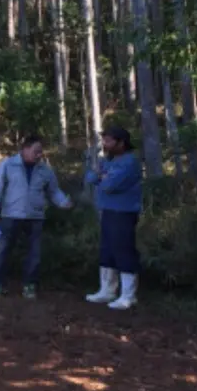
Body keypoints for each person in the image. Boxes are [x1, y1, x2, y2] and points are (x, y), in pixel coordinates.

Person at [0, 134, 74, 299]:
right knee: (4, 251)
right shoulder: (8, 165)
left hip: (35, 217)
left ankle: (30, 285)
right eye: (36, 151)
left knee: (34, 253)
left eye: (41, 151)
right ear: (25, 149)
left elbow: (53, 191)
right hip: (10, 216)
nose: (39, 154)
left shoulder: (45, 170)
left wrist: (64, 202)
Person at [83, 126, 143, 310]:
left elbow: (109, 185)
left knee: (123, 250)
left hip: (124, 212)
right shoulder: (108, 161)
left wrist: (101, 177)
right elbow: (90, 177)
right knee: (107, 250)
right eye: (104, 140)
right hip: (108, 210)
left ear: (121, 142)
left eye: (109, 140)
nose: (105, 144)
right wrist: (102, 176)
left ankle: (128, 296)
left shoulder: (129, 162)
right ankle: (107, 290)